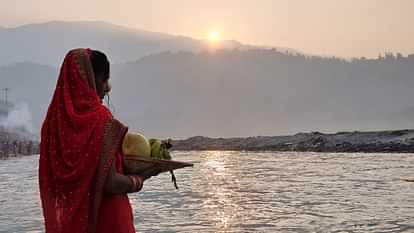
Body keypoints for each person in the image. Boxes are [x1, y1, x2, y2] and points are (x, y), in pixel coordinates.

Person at [39, 48, 159, 233]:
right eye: (104, 79)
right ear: (87, 79)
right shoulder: (101, 119)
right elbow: (110, 183)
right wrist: (140, 179)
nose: (107, 87)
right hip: (109, 221)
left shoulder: (52, 126)